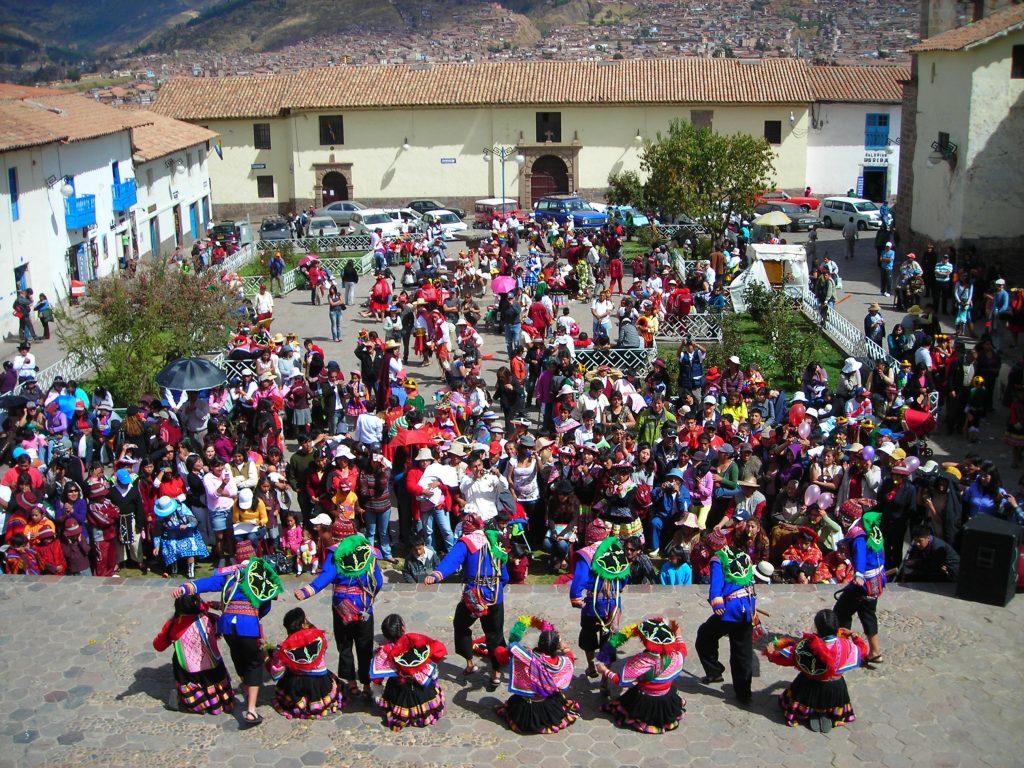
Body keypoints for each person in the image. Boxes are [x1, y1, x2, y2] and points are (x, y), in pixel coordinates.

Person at [172, 547, 283, 727]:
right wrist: (254, 616)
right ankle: (251, 710)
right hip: (247, 626)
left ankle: (248, 694)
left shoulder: (229, 575)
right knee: (254, 664)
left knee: (238, 658)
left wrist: (187, 587)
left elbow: (208, 583)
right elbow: (265, 605)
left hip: (227, 625)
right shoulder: (259, 576)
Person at [423, 514, 509, 689]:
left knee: (461, 625)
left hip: (474, 598)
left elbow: (451, 561)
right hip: (495, 596)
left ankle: (470, 662)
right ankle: (496, 673)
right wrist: (499, 586)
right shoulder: (494, 542)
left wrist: (436, 575)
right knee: (495, 635)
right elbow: (504, 572)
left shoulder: (466, 543)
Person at [294, 531, 383, 701]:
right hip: (364, 607)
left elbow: (326, 576)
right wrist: (370, 597)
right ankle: (366, 684)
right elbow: (378, 581)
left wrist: (307, 591)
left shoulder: (336, 554)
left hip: (341, 609)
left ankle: (351, 683)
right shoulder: (370, 554)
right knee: (365, 646)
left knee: (345, 644)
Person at [764, 608, 868, 732]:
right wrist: (853, 635)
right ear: (837, 627)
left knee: (800, 686)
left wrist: (770, 653)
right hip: (835, 689)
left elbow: (784, 658)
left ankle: (807, 712)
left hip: (808, 687)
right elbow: (863, 650)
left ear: (817, 628)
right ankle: (829, 713)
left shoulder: (805, 646)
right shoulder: (846, 645)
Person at [595, 617, 687, 734]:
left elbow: (620, 680)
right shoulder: (675, 655)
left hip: (646, 699)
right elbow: (682, 648)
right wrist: (678, 632)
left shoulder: (641, 662)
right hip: (666, 695)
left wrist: (605, 671)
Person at [152, 593, 235, 715]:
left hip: (189, 668)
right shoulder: (209, 618)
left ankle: (199, 704)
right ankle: (220, 702)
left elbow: (159, 646)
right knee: (214, 673)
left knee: (180, 664)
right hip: (213, 663)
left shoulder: (173, 625)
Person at [494, 618, 579, 734]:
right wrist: (566, 648)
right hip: (546, 702)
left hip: (526, 702)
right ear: (556, 647)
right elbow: (570, 660)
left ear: (539, 643)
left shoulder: (526, 657)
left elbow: (501, 653)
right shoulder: (562, 663)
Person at [695, 544, 757, 703]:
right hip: (748, 607)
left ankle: (714, 671)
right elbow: (749, 580)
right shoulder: (744, 555)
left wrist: (717, 601)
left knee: (705, 635)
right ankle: (744, 693)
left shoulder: (719, 559)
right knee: (743, 652)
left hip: (731, 610)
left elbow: (716, 582)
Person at [570, 520, 629, 685]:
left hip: (593, 605)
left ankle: (591, 666)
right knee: (608, 640)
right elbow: (625, 575)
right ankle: (604, 679)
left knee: (588, 634)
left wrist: (576, 599)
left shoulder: (586, 554)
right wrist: (620, 588)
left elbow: (579, 580)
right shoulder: (616, 550)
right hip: (612, 605)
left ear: (588, 536)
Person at [371, 613, 448, 731]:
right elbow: (439, 650)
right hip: (419, 685)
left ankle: (402, 715)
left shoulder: (384, 651)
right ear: (403, 628)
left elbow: (376, 678)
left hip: (397, 688)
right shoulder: (414, 639)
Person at [266, 607, 344, 720]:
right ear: (304, 624)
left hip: (298, 683)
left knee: (288, 675)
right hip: (321, 681)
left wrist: (269, 659)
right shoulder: (319, 637)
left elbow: (276, 674)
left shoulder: (283, 649)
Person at [832, 510, 884, 666]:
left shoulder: (859, 536)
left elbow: (860, 554)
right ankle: (875, 652)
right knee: (867, 613)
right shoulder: (874, 530)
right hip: (875, 581)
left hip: (863, 583)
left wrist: (859, 574)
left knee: (841, 612)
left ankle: (843, 651)